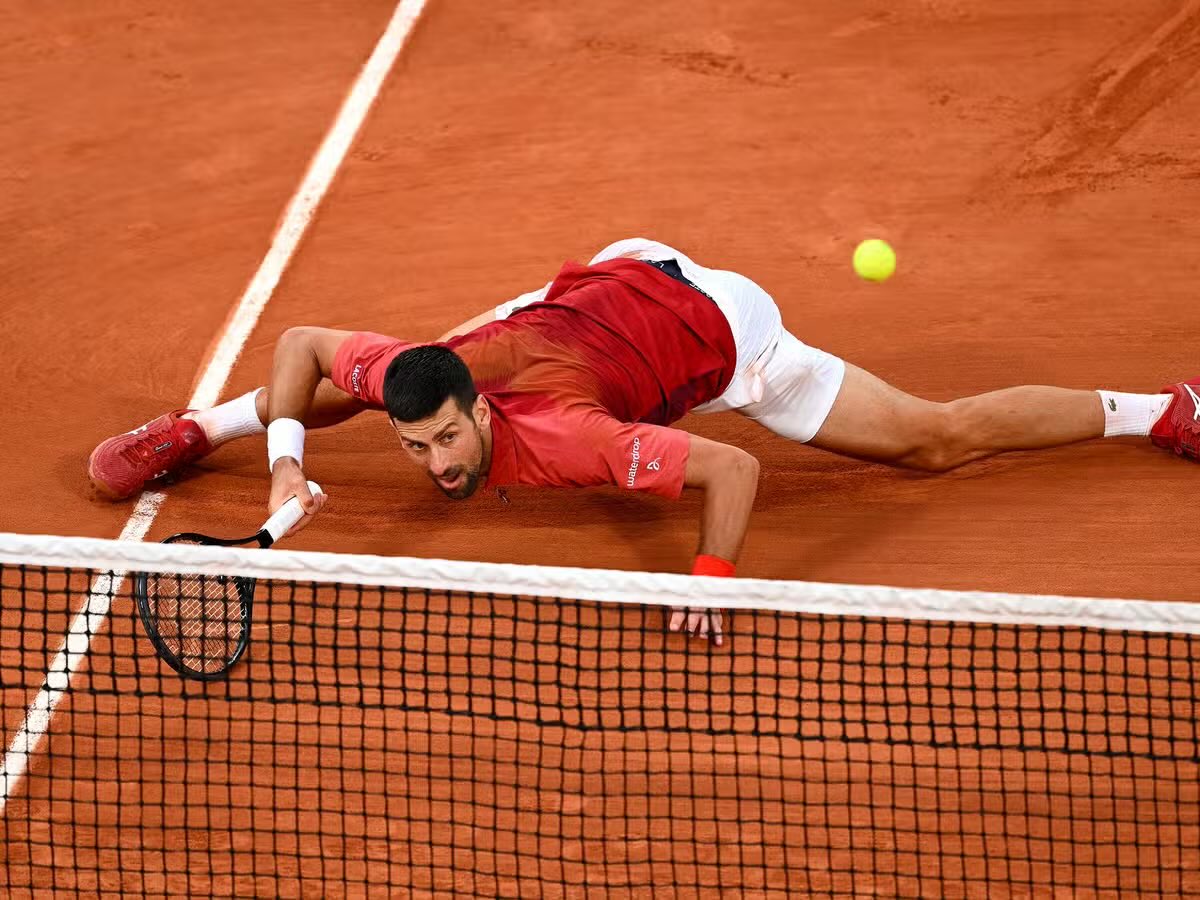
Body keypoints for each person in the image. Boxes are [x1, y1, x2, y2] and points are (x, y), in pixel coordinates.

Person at [88, 238, 1200, 644]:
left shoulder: (574, 442)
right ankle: (194, 430)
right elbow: (306, 342)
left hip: (724, 333)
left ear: (481, 414)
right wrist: (283, 448)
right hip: (603, 280)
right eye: (417, 444)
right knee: (358, 380)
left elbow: (734, 462)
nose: (432, 466)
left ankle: (1164, 410)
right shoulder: (430, 380)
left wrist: (712, 579)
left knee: (933, 440)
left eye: (444, 443)